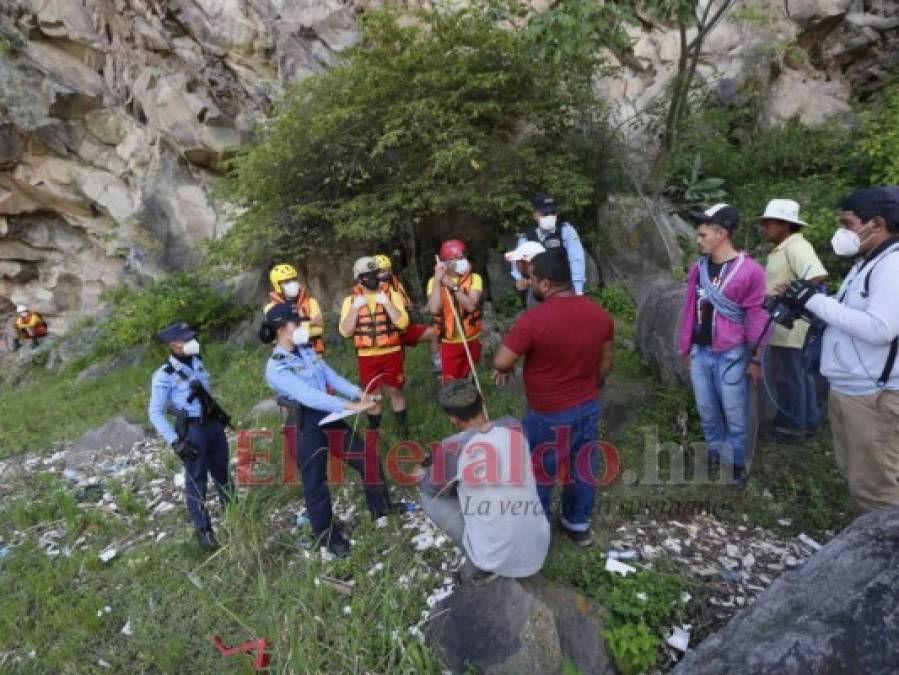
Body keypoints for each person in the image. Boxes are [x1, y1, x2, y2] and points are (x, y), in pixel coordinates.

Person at [781, 186, 899, 515]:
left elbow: (880, 329)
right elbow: (850, 314)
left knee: (877, 489)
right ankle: (863, 549)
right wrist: (812, 305)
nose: (842, 232)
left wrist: (813, 300)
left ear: (877, 223)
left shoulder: (893, 265)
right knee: (858, 476)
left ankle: (882, 558)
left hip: (873, 396)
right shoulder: (867, 263)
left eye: (848, 224)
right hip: (851, 389)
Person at [493, 251, 614, 546]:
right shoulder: (599, 314)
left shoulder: (534, 319)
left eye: (532, 279)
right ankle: (577, 524)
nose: (530, 283)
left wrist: (506, 368)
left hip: (547, 412)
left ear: (545, 283)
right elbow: (606, 361)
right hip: (587, 406)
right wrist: (591, 386)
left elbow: (501, 360)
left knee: (540, 471)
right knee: (582, 466)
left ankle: (536, 531)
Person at [263, 303, 394, 557]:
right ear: (280, 329)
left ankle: (382, 509)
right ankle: (327, 537)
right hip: (304, 424)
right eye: (295, 323)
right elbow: (308, 396)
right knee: (315, 483)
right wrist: (351, 405)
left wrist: (360, 393)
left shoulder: (307, 350)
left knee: (366, 458)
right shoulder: (276, 366)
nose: (301, 326)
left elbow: (331, 377)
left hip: (330, 415)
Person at [417, 380, 550, 579]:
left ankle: (478, 560)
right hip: (539, 547)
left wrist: (423, 470)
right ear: (483, 402)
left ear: (453, 420)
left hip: (494, 560)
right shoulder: (514, 426)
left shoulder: (453, 447)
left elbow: (431, 488)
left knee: (429, 497)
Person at [677, 204, 768, 487]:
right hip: (700, 351)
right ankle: (716, 454)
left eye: (703, 234)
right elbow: (691, 307)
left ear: (721, 233)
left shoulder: (749, 271)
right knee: (706, 409)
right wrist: (686, 347)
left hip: (731, 352)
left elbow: (756, 314)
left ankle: (736, 464)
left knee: (734, 411)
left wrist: (756, 357)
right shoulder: (699, 268)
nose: (698, 239)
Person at [148, 322, 233, 550]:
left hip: (213, 426)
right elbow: (155, 412)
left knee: (223, 474)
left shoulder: (197, 362)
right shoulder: (163, 375)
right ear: (174, 345)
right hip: (192, 431)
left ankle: (234, 517)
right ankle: (204, 531)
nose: (193, 342)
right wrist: (175, 442)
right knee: (197, 481)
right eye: (187, 339)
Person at [757, 199, 828, 440]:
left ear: (786, 225)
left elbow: (817, 274)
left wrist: (793, 298)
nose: (764, 228)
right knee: (798, 375)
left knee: (788, 376)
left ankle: (790, 427)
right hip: (784, 323)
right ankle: (806, 421)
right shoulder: (784, 247)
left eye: (769, 223)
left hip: (791, 324)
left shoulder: (796, 246)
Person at [339, 256, 410, 436]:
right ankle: (375, 431)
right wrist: (355, 308)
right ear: (360, 278)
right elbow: (346, 331)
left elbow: (402, 323)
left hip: (391, 352)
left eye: (375, 274)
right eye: (368, 275)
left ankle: (403, 430)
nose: (373, 278)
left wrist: (386, 303)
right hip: (367, 356)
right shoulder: (350, 300)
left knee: (396, 390)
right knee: (373, 395)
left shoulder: (391, 295)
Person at [373, 253, 442, 373]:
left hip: (404, 328)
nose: (386, 273)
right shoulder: (371, 289)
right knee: (396, 366)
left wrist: (410, 306)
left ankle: (439, 369)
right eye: (382, 271)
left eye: (388, 270)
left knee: (434, 334)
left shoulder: (395, 284)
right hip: (387, 334)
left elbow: (406, 302)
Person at [427, 239, 484, 383]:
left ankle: (473, 402)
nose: (461, 261)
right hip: (449, 341)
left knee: (471, 378)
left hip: (471, 338)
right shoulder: (434, 282)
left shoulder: (475, 278)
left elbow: (471, 306)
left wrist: (452, 286)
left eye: (462, 258)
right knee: (451, 382)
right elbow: (434, 309)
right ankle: (453, 404)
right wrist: (438, 282)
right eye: (455, 259)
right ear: (445, 262)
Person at [510, 193, 586, 295]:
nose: (550, 216)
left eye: (553, 213)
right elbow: (517, 265)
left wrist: (578, 290)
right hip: (538, 293)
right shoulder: (526, 239)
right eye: (545, 214)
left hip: (564, 290)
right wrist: (520, 279)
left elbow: (577, 259)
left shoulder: (566, 231)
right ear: (535, 215)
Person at [265, 263, 326, 353]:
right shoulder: (270, 308)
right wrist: (310, 323)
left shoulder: (311, 302)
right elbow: (277, 336)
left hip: (314, 353)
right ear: (277, 285)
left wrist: (292, 327)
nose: (292, 284)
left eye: (294, 280)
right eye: (286, 282)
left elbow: (319, 329)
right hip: (288, 356)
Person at [504, 240, 545, 309]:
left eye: (518, 261)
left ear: (527, 262)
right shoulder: (539, 286)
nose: (516, 265)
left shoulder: (542, 290)